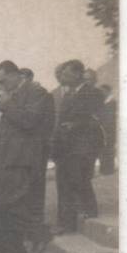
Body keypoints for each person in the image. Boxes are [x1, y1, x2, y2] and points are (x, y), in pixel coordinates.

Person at [0, 60, 53, 253]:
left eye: (2, 80)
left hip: (23, 159)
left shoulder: (36, 92)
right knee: (4, 208)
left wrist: (7, 105)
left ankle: (39, 234)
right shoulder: (9, 95)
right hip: (7, 158)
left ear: (15, 74)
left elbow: (30, 121)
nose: (0, 85)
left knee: (14, 205)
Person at [53, 59, 104, 234]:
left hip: (83, 146)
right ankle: (68, 223)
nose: (63, 77)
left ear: (77, 74)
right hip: (66, 146)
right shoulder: (68, 94)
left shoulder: (93, 93)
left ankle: (89, 212)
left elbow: (95, 118)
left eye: (67, 74)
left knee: (79, 180)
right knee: (66, 183)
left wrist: (75, 125)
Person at [97, 85, 117, 175]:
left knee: (108, 149)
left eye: (102, 91)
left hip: (109, 130)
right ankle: (105, 169)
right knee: (104, 149)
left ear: (107, 91)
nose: (101, 94)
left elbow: (109, 119)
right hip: (104, 129)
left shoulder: (111, 103)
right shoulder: (105, 103)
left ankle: (108, 170)